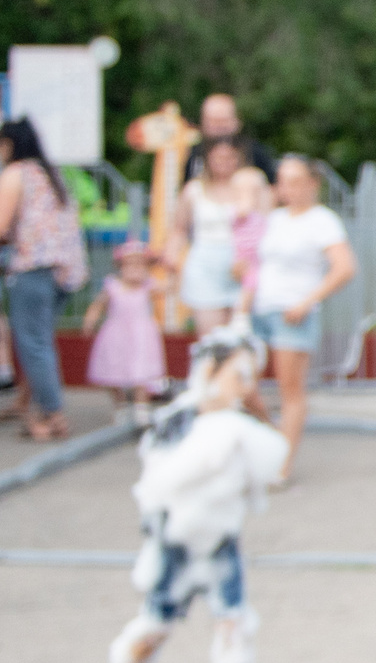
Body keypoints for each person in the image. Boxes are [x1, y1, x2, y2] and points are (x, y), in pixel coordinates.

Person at [87, 324, 291, 663]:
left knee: (234, 625)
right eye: (238, 375)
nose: (245, 385)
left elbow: (266, 470)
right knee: (156, 624)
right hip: (176, 544)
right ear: (211, 371)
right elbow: (159, 483)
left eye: (250, 377)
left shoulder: (237, 426)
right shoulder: (179, 421)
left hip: (220, 541)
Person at [0, 116, 87, 440]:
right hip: (65, 270)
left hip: (33, 268)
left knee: (33, 343)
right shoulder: (49, 173)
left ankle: (53, 415)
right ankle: (36, 408)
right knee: (42, 341)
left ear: (7, 145)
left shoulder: (15, 174)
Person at [249, 156, 355, 476]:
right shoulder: (273, 218)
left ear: (312, 184)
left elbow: (344, 268)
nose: (288, 189)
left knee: (289, 389)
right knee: (244, 387)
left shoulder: (322, 221)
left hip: (293, 312)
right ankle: (275, 438)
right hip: (261, 308)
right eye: (283, 182)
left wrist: (308, 302)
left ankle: (282, 464)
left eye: (295, 181)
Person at [171, 136, 268, 334]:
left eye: (230, 157)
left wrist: (250, 259)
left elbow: (264, 224)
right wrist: (171, 254)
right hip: (205, 266)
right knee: (211, 336)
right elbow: (179, 229)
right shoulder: (193, 190)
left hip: (242, 266)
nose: (224, 163)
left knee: (240, 335)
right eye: (218, 158)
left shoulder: (251, 185)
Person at [80, 240, 169, 416]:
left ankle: (141, 408)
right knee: (113, 371)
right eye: (130, 264)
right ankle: (121, 406)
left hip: (141, 338)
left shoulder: (148, 286)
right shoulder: (113, 287)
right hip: (117, 337)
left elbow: (169, 288)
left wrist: (168, 267)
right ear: (120, 267)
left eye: (140, 265)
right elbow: (99, 304)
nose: (135, 269)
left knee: (142, 373)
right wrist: (90, 319)